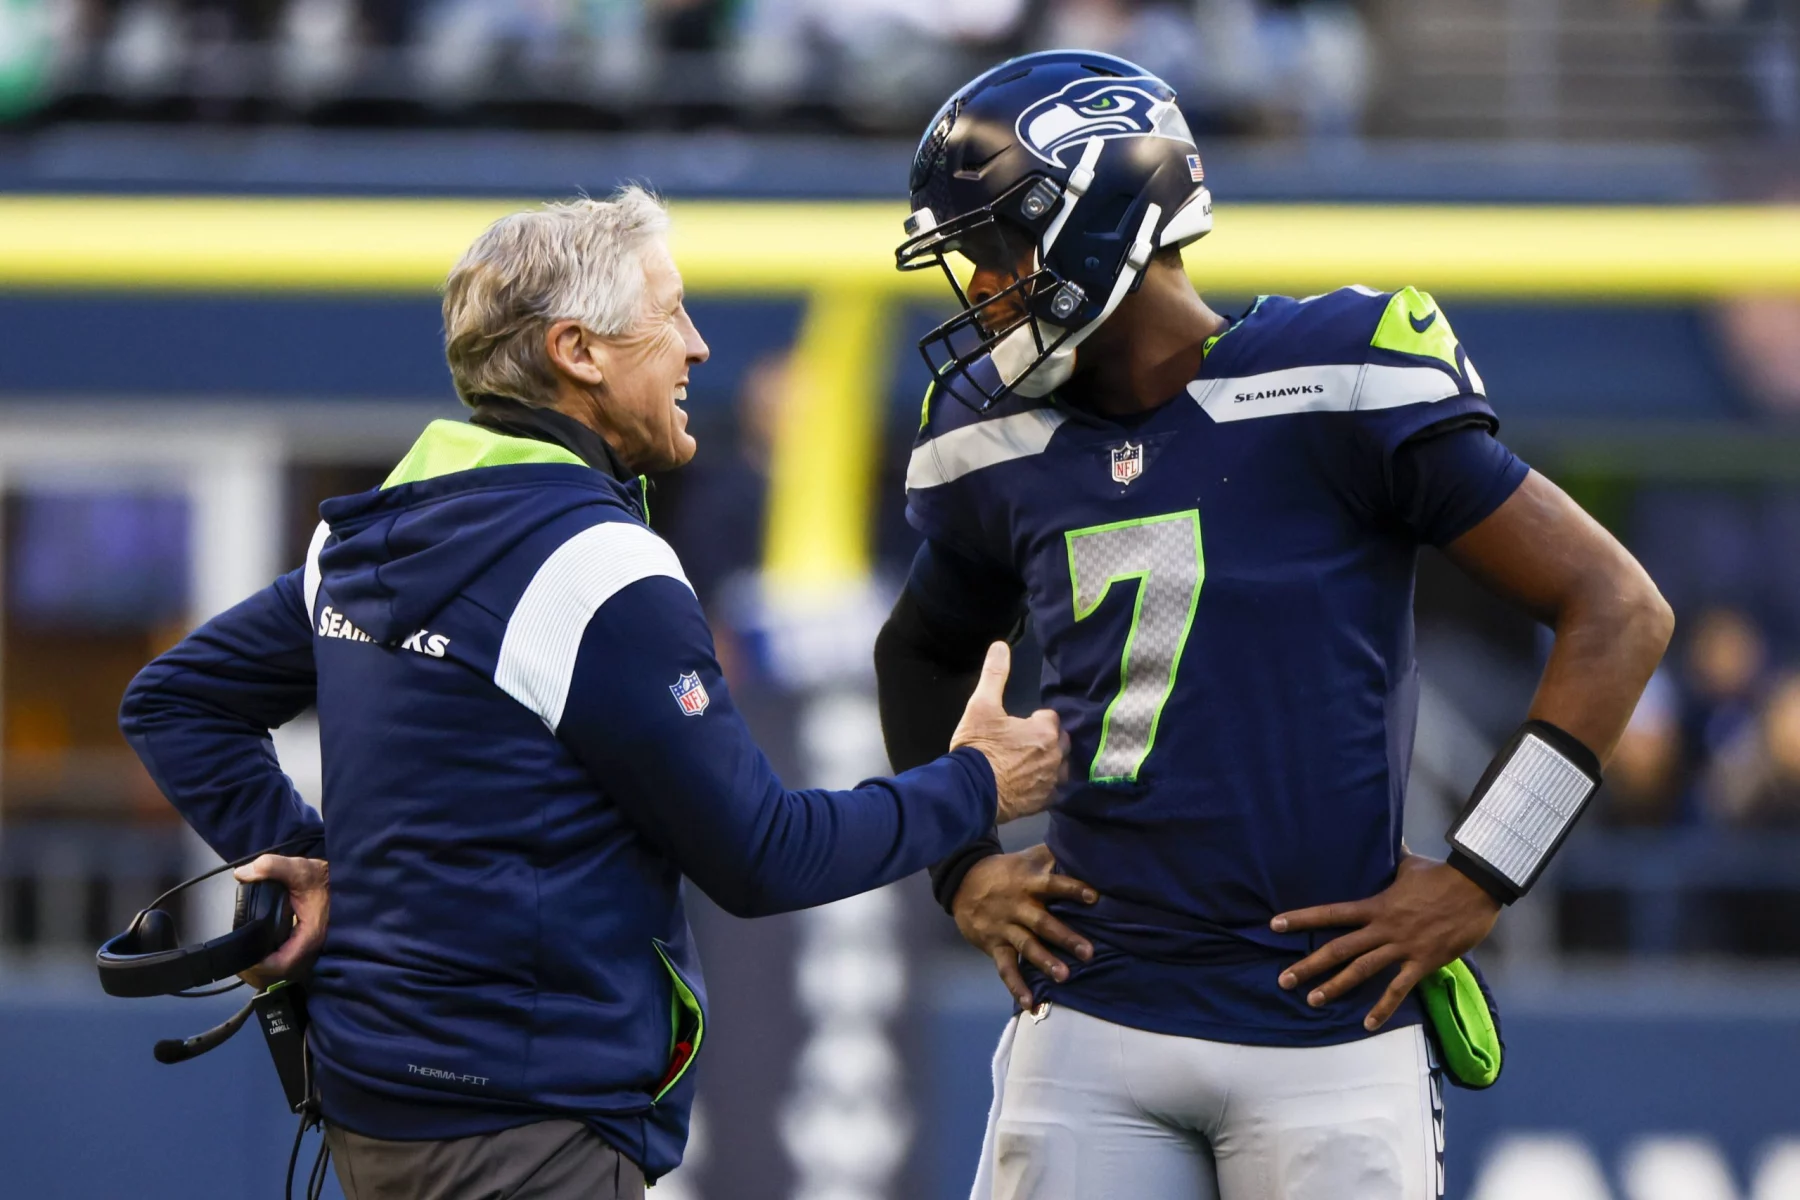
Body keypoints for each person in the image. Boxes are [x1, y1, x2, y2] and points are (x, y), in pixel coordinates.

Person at [118, 187, 1066, 1200]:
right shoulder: (591, 564)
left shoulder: (374, 531)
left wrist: (315, 861)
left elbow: (174, 702)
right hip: (527, 1126)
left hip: (375, 1097)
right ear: (576, 350)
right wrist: (976, 785)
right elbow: (763, 857)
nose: (698, 348)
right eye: (669, 316)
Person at [875, 53, 1674, 1199]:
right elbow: (919, 650)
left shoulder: (1337, 375)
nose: (981, 292)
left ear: (1097, 220)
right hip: (1094, 1014)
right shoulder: (993, 437)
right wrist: (956, 870)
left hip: (1325, 1031)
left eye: (995, 253)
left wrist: (1481, 876)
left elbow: (1619, 611)